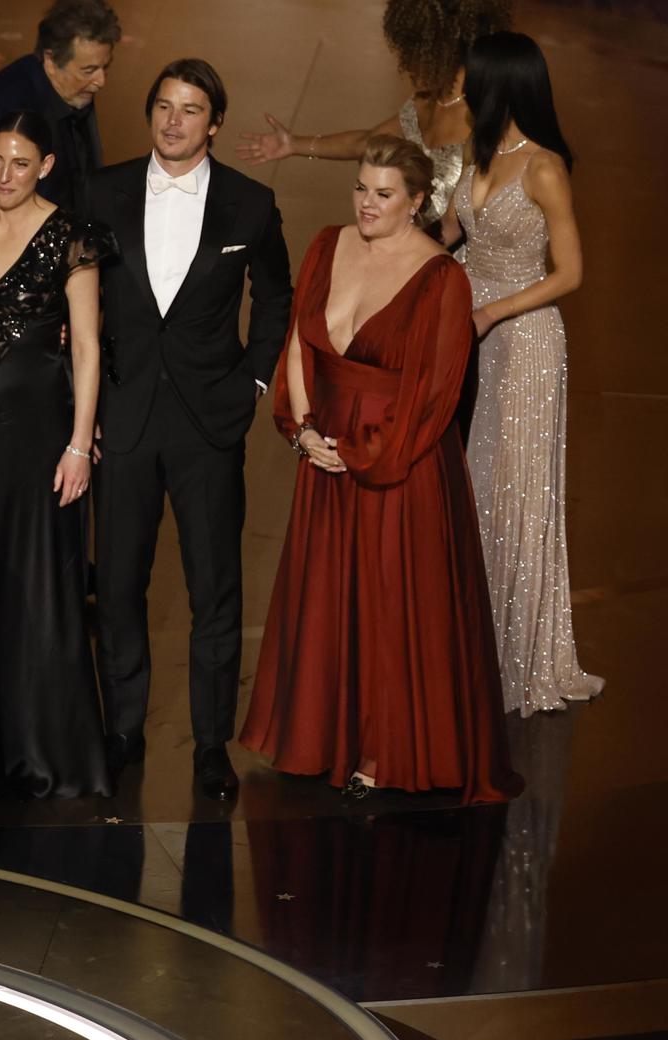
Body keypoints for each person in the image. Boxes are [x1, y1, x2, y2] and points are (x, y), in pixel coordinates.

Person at [241, 136, 520, 804]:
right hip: (325, 454)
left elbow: (434, 396)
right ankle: (324, 740)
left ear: (419, 201)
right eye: (361, 189)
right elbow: (301, 349)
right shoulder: (326, 246)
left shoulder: (441, 279)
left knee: (394, 608)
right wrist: (305, 431)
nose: (367, 204)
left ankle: (384, 751)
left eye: (384, 194)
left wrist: (362, 453)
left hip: (401, 467)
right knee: (330, 601)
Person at [78, 59, 293, 801]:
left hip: (209, 424)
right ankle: (123, 730)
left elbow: (276, 299)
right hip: (124, 418)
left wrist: (255, 383)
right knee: (119, 584)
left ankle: (210, 746)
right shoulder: (99, 192)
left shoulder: (251, 204)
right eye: (164, 106)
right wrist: (85, 407)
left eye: (191, 109)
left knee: (214, 589)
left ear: (216, 121)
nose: (174, 121)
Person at [0, 110, 112, 799]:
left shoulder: (72, 238)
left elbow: (88, 347)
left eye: (20, 163)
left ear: (45, 166)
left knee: (38, 585)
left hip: (39, 434)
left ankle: (47, 753)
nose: (4, 176)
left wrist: (79, 442)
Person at [452, 32, 601, 716]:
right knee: (469, 484)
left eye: (469, 80)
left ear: (499, 84)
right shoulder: (473, 153)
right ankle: (466, 642)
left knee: (508, 491)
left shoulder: (543, 167)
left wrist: (495, 313)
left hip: (525, 342)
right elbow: (454, 239)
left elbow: (570, 273)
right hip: (466, 334)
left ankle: (515, 655)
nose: (459, 90)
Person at [233, 0, 513, 224]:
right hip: (410, 248)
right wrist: (293, 144)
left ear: (436, 51)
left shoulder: (483, 115)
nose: (405, 65)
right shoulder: (425, 102)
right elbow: (366, 142)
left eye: (412, 52)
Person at [0, 0, 121, 211]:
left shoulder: (77, 91)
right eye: (88, 70)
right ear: (50, 62)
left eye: (105, 67)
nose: (101, 81)